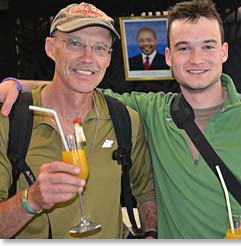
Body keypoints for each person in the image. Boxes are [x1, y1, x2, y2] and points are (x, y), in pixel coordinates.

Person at [0, 0, 241, 239]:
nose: (197, 60)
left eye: (208, 47)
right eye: (184, 48)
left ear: (223, 52)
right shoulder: (149, 111)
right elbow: (78, 84)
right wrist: (15, 84)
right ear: (169, 57)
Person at [0, 2, 156, 239]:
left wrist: (150, 234)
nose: (87, 58)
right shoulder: (11, 120)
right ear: (51, 48)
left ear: (108, 58)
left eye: (99, 48)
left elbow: (146, 192)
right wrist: (31, 200)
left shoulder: (125, 120)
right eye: (75, 44)